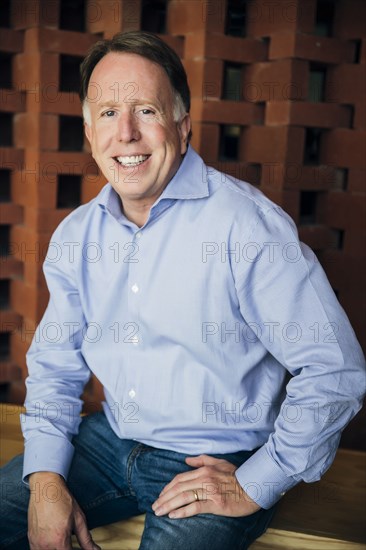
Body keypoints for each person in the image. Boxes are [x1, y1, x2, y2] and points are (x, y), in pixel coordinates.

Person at [0, 31, 365, 550]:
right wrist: (45, 480)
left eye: (146, 110)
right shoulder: (77, 236)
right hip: (106, 442)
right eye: (107, 113)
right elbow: (56, 369)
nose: (125, 133)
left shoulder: (247, 226)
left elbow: (335, 368)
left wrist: (257, 481)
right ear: (88, 131)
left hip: (218, 459)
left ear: (183, 125)